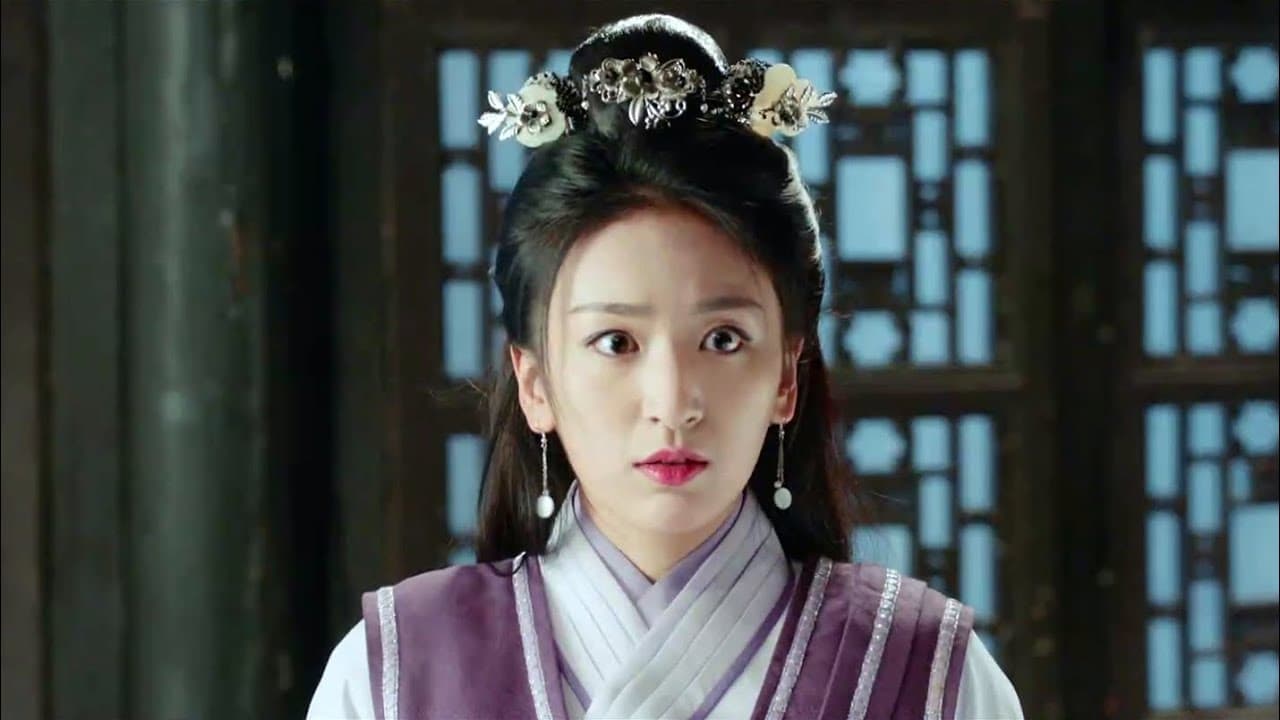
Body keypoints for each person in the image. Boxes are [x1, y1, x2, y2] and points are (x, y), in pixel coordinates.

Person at [307, 13, 1024, 720]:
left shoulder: (928, 675)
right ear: (534, 382)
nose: (673, 401)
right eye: (616, 343)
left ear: (787, 375)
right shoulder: (394, 674)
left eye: (723, 339)